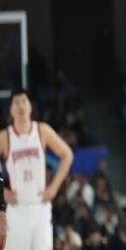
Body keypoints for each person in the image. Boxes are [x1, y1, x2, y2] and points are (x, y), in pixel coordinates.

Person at [0, 89, 74, 249]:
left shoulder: (42, 131)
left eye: (24, 101)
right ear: (11, 109)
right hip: (16, 208)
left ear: (30, 106)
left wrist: (54, 188)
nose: (21, 106)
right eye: (16, 102)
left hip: (40, 206)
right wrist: (3, 192)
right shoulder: (5, 137)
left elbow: (67, 155)